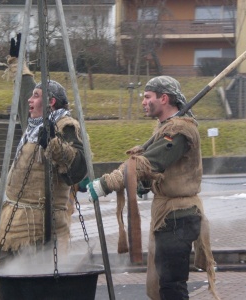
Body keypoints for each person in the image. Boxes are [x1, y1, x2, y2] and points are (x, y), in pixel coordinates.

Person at [87, 76, 219, 300]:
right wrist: (145, 183)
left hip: (178, 217)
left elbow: (151, 162)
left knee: (171, 287)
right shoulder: (167, 128)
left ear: (164, 98)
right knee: (162, 286)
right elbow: (159, 170)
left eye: (148, 97)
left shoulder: (179, 130)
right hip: (169, 217)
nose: (143, 102)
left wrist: (106, 184)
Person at [0, 34, 87, 298]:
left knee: (34, 289)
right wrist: (19, 63)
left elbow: (77, 169)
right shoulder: (33, 126)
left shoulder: (65, 126)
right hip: (14, 218)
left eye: (36, 97)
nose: (30, 100)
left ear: (50, 103)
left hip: (41, 225)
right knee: (2, 279)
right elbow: (25, 90)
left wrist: (53, 144)